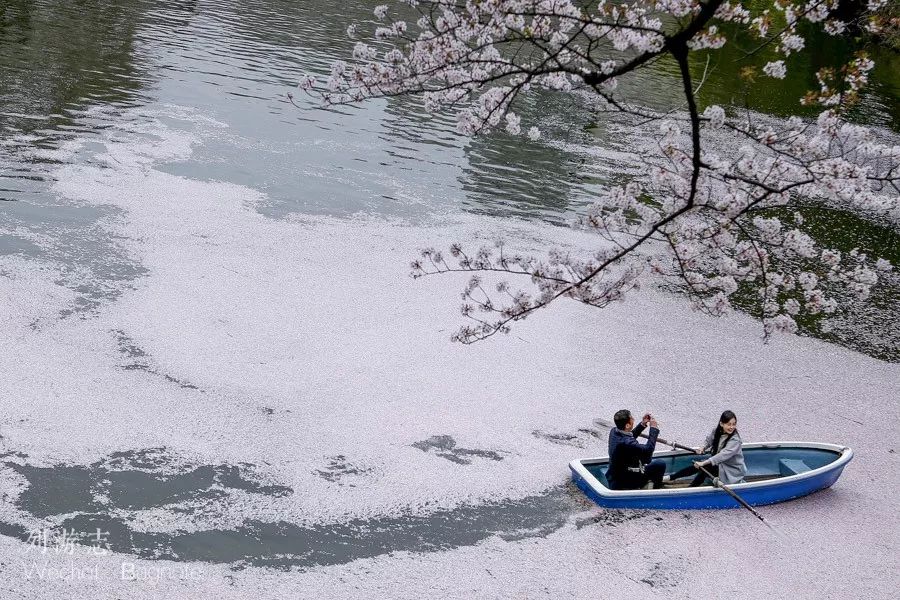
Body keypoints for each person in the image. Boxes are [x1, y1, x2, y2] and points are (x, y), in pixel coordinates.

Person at [669, 410, 746, 486]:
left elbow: (722, 455)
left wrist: (703, 463)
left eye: (734, 424)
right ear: (721, 424)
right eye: (729, 424)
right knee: (700, 466)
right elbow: (708, 441)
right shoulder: (716, 431)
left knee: (706, 467)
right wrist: (702, 448)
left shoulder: (735, 440)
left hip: (731, 471)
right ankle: (670, 478)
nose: (732, 427)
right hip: (720, 465)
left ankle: (691, 488)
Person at [606, 409, 665, 490]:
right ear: (627, 425)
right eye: (632, 419)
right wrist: (653, 429)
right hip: (626, 481)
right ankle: (656, 488)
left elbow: (629, 436)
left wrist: (642, 424)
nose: (633, 419)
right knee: (660, 464)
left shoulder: (614, 431)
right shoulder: (627, 443)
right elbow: (648, 450)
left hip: (614, 476)